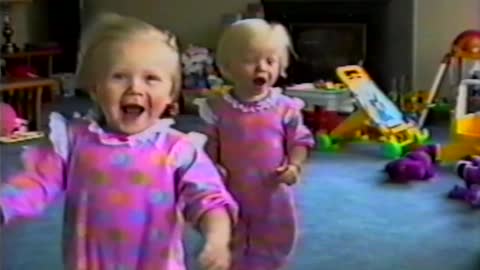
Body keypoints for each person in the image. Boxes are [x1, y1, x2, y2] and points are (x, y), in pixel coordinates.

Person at [0, 13, 238, 270]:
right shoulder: (72, 141)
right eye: (119, 76)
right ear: (95, 88)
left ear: (171, 95)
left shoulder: (178, 150)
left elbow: (208, 198)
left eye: (151, 78)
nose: (135, 88)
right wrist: (5, 204)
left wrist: (217, 239)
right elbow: (35, 181)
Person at [194, 18, 314, 270]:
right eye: (251, 61)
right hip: (231, 185)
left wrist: (294, 166)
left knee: (275, 233)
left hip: (272, 188)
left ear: (280, 65)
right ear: (228, 67)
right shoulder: (218, 108)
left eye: (270, 61)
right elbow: (211, 143)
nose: (262, 68)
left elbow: (299, 140)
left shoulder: (285, 107)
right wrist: (211, 168)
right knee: (230, 231)